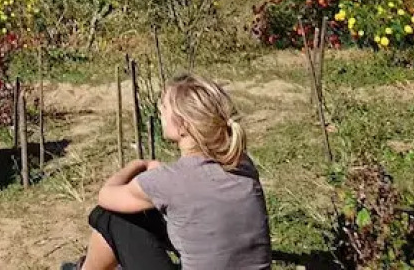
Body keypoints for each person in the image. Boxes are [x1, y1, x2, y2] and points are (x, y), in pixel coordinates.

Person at [67, 74, 271, 270]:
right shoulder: (242, 164)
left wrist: (139, 165)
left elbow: (105, 196)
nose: (160, 113)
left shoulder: (168, 181)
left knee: (112, 216)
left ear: (183, 125)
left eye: (163, 108)